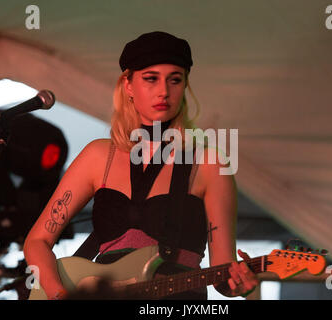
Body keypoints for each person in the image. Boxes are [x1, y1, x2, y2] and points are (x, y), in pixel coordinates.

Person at [23, 31, 258, 300]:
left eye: (175, 80)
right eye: (150, 78)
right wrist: (58, 295)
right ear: (128, 85)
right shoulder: (98, 155)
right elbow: (36, 241)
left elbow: (222, 272)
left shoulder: (210, 162)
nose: (163, 91)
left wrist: (239, 283)